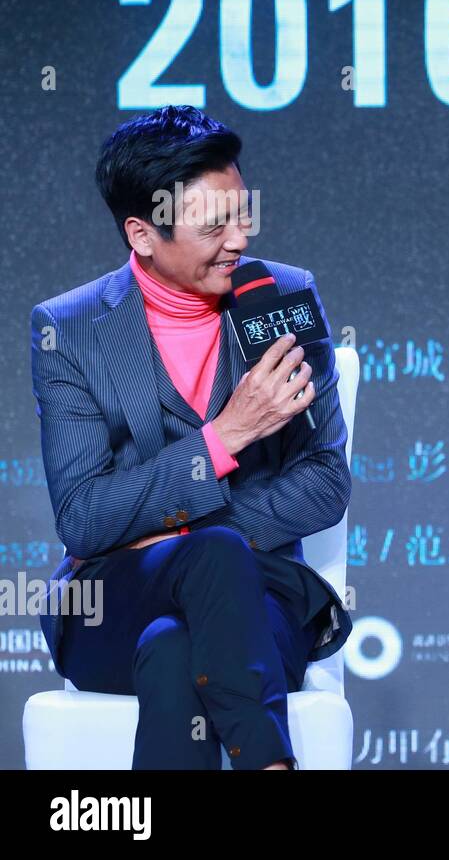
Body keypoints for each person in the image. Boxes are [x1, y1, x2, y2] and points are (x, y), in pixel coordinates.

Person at [31, 106, 353, 769]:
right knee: (200, 567)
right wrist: (224, 438)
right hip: (108, 604)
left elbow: (325, 480)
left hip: (256, 600)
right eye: (214, 226)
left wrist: (187, 532)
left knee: (178, 642)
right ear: (143, 234)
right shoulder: (71, 330)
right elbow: (86, 520)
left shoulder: (284, 299)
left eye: (243, 214)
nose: (238, 239)